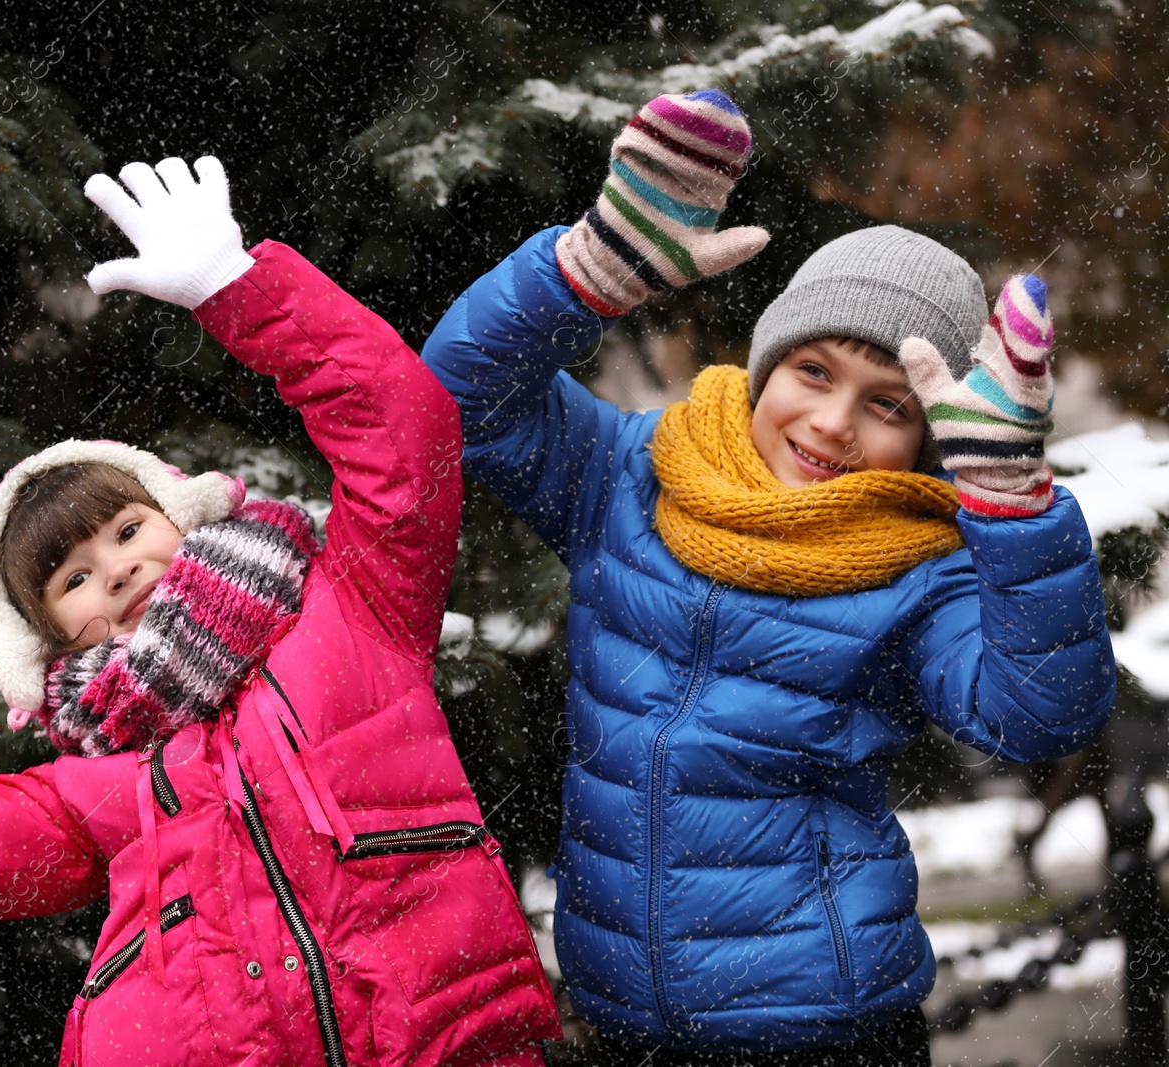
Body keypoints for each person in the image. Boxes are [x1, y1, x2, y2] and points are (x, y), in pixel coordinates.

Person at [0, 155, 558, 1067]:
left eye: (126, 528)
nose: (115, 570)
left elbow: (404, 433)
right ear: (44, 637)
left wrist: (238, 289)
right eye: (71, 579)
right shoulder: (90, 785)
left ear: (179, 513)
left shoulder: (352, 608)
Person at [419, 89, 1115, 1066]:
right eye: (813, 372)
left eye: (885, 403)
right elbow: (459, 396)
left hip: (821, 1024)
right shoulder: (631, 473)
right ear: (765, 365)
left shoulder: (919, 568)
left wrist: (1011, 507)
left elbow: (1039, 714)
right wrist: (589, 272)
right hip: (620, 1010)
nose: (832, 422)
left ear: (926, 436)